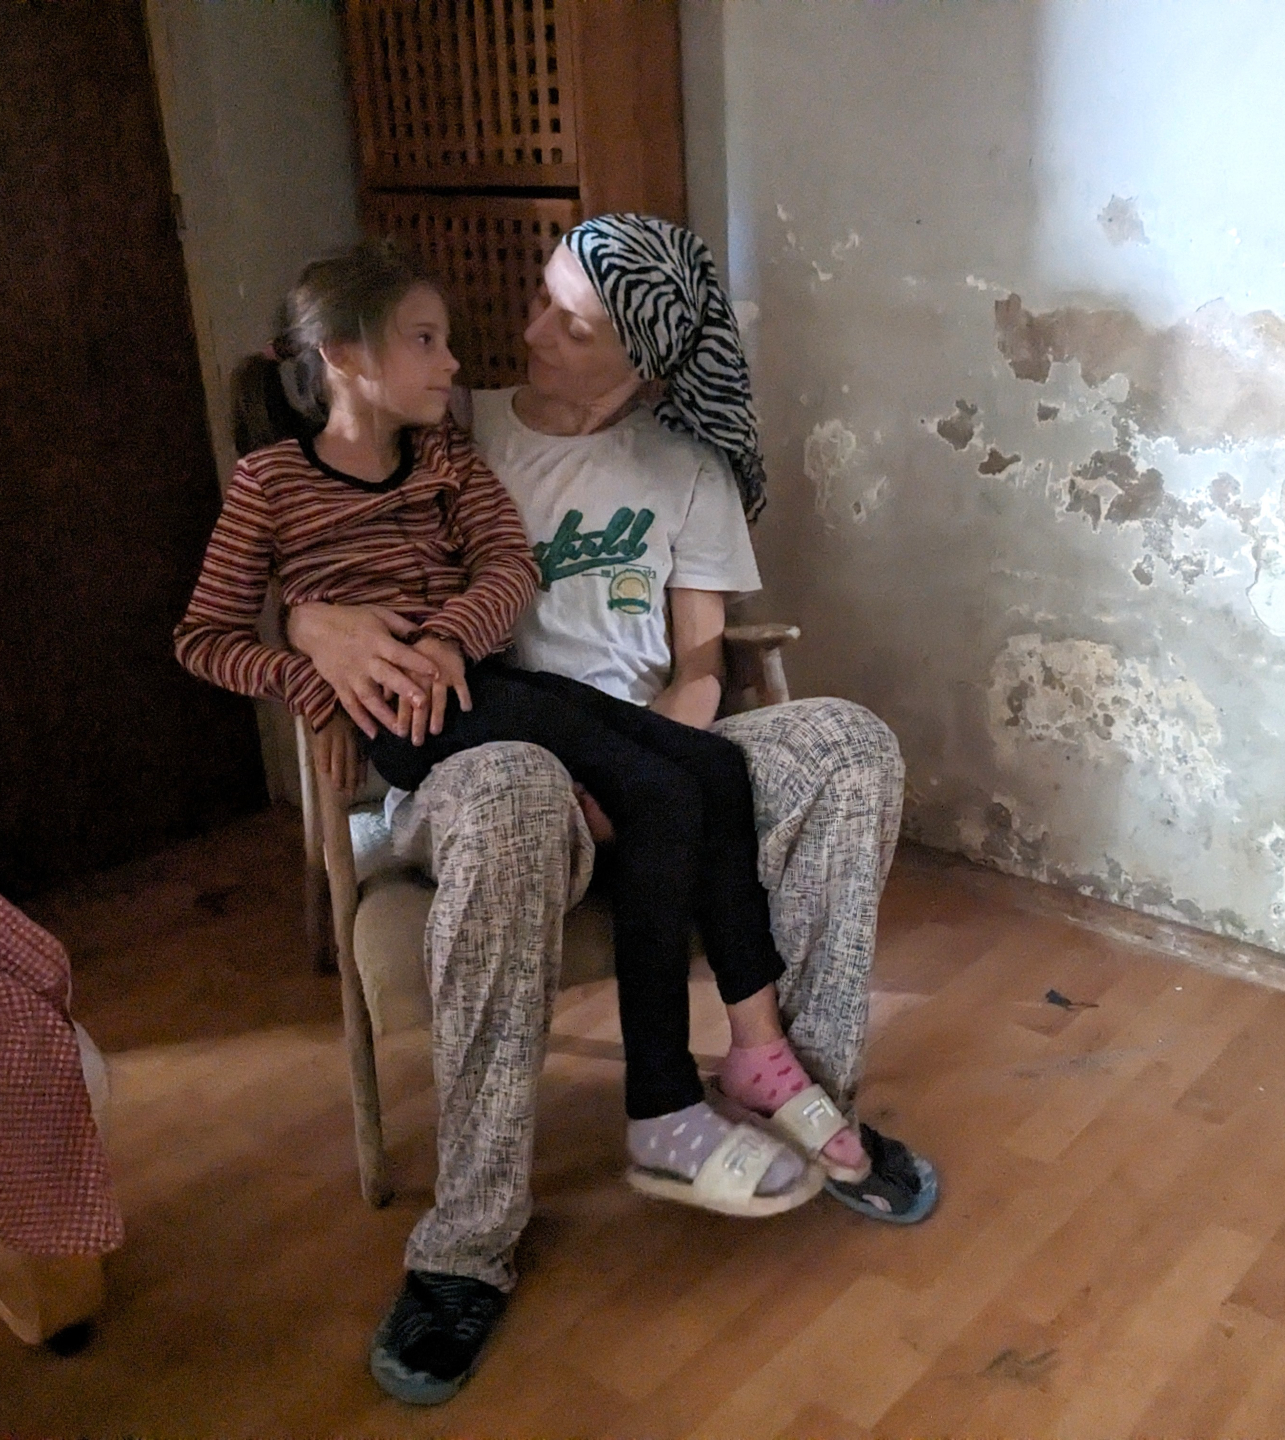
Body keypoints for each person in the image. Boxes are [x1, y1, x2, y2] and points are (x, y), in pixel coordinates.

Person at [284, 216, 937, 1405]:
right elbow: (305, 514)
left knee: (847, 744)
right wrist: (304, 625)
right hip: (478, 766)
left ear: (641, 361)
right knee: (525, 787)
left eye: (570, 324)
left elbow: (699, 670)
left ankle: (796, 1085)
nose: (528, 330)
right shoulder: (450, 418)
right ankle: (467, 1243)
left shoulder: (683, 468)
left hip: (646, 751)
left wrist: (652, 782)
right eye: (539, 299)